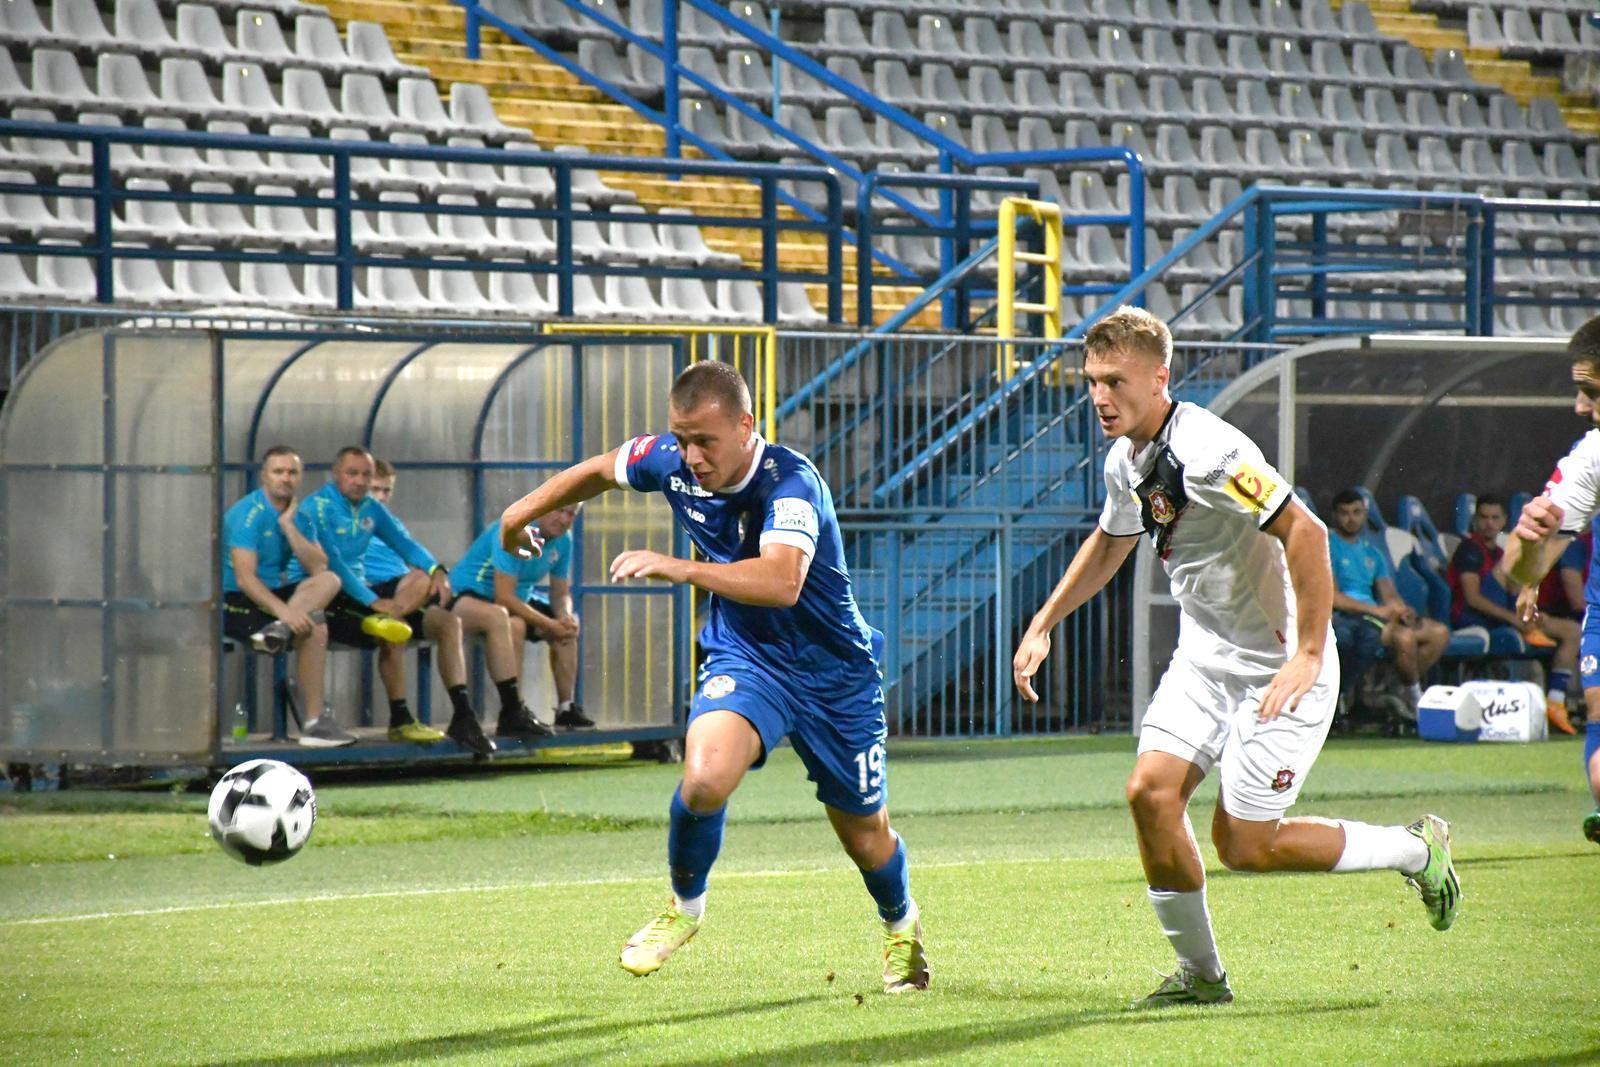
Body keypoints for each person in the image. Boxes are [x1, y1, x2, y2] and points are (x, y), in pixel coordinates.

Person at [1011, 306, 1459, 1010]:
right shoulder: (1124, 456)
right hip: (1204, 658)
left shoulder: (1210, 451)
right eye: (1092, 381)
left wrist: (1310, 651)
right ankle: (1201, 975)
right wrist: (1044, 620)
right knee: (1149, 795)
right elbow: (1110, 540)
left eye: (1115, 381)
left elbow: (1305, 532)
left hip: (1279, 667)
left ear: (1160, 378)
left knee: (1245, 844)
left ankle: (1415, 849)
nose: (1100, 396)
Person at [499, 360, 928, 992]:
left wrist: (681, 568)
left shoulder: (792, 482)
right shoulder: (671, 461)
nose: (691, 455)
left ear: (746, 426)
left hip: (835, 675)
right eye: (681, 439)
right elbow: (601, 468)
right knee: (703, 778)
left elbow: (781, 582)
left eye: (705, 441)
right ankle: (684, 909)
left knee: (866, 838)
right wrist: (518, 513)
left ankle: (901, 925)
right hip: (749, 658)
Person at [286, 446, 495, 757]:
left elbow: (408, 546)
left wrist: (437, 570)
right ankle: (394, 714)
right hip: (335, 595)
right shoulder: (318, 508)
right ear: (336, 474)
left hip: (379, 599)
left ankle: (463, 716)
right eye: (353, 474)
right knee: (384, 624)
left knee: (446, 619)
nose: (361, 482)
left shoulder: (373, 511)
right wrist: (373, 601)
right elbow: (334, 565)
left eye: (366, 476)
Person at [1493, 313, 1600, 844]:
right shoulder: (1592, 456)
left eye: (1591, 391)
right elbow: (1515, 568)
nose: (1581, 406)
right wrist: (1533, 543)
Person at [221, 445, 346, 747]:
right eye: (278, 472)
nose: (285, 479)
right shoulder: (246, 514)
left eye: (292, 472)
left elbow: (318, 566)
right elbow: (244, 578)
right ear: (264, 476)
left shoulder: (298, 516)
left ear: (300, 477)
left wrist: (289, 527)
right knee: (312, 621)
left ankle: (315, 724)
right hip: (236, 601)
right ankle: (282, 626)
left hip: (275, 603)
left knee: (329, 583)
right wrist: (285, 612)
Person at [448, 503, 595, 737]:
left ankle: (566, 708)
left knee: (567, 629)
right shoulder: (515, 531)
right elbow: (503, 597)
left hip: (515, 599)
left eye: (571, 514)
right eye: (560, 510)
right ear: (543, 506)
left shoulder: (564, 540)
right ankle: (513, 711)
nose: (565, 519)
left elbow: (560, 593)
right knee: (514, 625)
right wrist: (549, 625)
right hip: (470, 593)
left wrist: (564, 616)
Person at [1447, 494, 1579, 733]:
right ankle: (1526, 620)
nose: (1489, 523)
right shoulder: (1469, 550)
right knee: (1515, 558)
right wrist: (1514, 619)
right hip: (1475, 621)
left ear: (1504, 520)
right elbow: (1473, 598)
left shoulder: (1497, 551)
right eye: (1484, 518)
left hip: (1508, 616)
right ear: (1475, 520)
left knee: (1572, 631)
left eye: (1495, 518)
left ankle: (1556, 701)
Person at [1327, 489, 1450, 714]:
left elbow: (1389, 595)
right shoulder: (1328, 545)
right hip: (1348, 617)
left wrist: (1402, 610)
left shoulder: (1372, 552)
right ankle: (1415, 703)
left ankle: (1397, 689)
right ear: (1334, 516)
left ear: (1365, 514)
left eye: (1356, 512)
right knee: (1404, 638)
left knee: (1439, 632)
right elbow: (1333, 597)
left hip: (1374, 615)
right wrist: (1377, 610)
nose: (1351, 518)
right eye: (1344, 513)